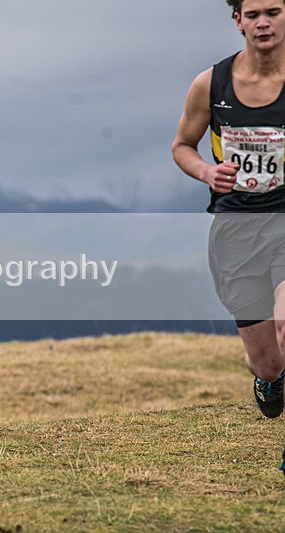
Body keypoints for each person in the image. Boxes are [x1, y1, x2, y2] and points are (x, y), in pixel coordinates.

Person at [172, 0, 285, 445]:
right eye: (254, 14)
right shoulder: (211, 83)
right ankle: (269, 380)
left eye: (274, 12)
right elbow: (182, 145)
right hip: (236, 228)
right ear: (237, 20)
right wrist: (206, 171)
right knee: (268, 361)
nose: (263, 23)